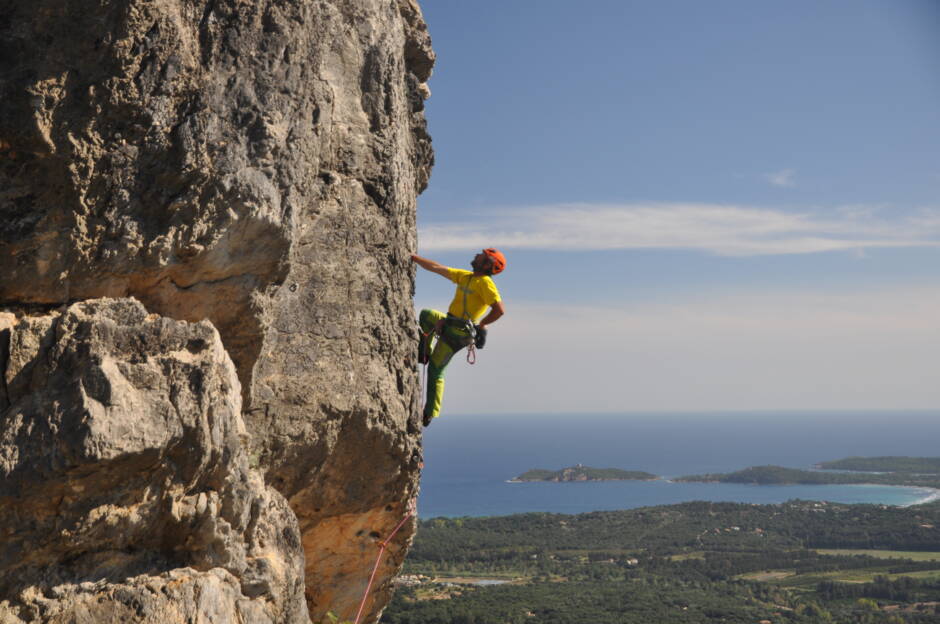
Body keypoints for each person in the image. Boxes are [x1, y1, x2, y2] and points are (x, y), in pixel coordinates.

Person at [412, 248, 506, 426]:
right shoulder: (467, 277)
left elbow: (499, 310)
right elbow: (437, 268)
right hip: (450, 323)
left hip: (458, 333)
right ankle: (423, 353)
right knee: (426, 315)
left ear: (487, 264)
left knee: (436, 370)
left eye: (481, 255)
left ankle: (430, 412)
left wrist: (482, 325)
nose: (476, 255)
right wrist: (415, 258)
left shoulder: (486, 284)